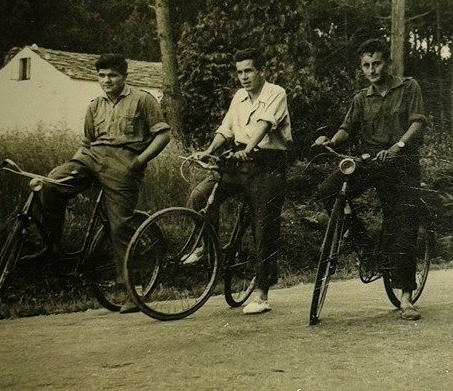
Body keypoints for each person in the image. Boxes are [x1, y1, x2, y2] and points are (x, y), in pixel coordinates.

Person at [38, 53, 171, 313]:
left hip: (123, 165)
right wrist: (73, 167)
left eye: (112, 75)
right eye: (102, 76)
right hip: (90, 159)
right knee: (49, 184)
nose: (106, 80)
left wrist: (139, 161)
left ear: (124, 76)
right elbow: (86, 143)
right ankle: (51, 245)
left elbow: (163, 135)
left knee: (119, 225)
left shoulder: (142, 99)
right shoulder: (94, 105)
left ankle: (133, 292)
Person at [312, 38, 427, 321]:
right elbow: (346, 129)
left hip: (402, 163)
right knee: (328, 191)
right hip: (371, 160)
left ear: (388, 63)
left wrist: (398, 146)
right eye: (366, 65)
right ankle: (363, 245)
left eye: (376, 63)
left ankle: (406, 298)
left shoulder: (408, 87)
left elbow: (418, 122)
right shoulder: (361, 98)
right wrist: (330, 140)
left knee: (403, 225)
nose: (372, 70)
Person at [186, 48, 291, 315]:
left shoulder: (275, 93)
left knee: (263, 227)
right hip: (241, 162)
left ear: (261, 71)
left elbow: (265, 125)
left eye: (249, 71)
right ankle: (209, 251)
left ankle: (262, 292)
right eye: (240, 72)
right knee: (200, 196)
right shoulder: (239, 97)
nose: (244, 77)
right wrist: (209, 150)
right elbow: (227, 128)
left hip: (268, 164)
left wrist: (248, 148)